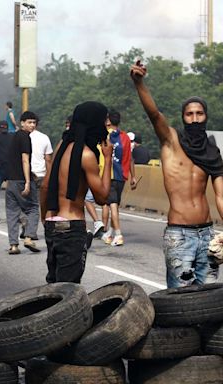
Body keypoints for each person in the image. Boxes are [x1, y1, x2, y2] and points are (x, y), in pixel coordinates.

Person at [131, 61, 223, 287]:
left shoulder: (212, 150)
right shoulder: (171, 141)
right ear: (183, 117)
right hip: (179, 235)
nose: (194, 118)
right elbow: (154, 114)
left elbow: (221, 195)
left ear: (205, 116)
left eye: (199, 114)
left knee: (210, 298)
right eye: (189, 114)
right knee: (180, 300)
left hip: (208, 233)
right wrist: (139, 82)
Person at [41, 101, 113, 283]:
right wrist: (108, 158)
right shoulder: (87, 155)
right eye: (104, 123)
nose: (106, 127)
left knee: (54, 285)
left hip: (53, 221)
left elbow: (45, 186)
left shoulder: (60, 147)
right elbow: (103, 197)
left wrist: (45, 218)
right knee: (68, 291)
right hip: (72, 226)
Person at [5, 111, 41, 254]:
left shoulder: (14, 137)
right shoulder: (26, 138)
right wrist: (27, 181)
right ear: (22, 123)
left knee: (12, 213)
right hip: (22, 180)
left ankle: (13, 245)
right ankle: (28, 237)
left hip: (11, 181)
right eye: (29, 122)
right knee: (33, 209)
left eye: (34, 123)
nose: (32, 125)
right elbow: (25, 160)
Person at [100, 109, 137, 246]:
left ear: (108, 121)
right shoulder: (126, 137)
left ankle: (118, 234)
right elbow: (131, 159)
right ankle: (109, 233)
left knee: (113, 205)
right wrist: (133, 177)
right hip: (121, 176)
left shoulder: (103, 136)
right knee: (112, 204)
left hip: (108, 176)